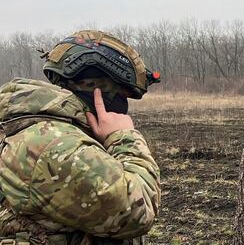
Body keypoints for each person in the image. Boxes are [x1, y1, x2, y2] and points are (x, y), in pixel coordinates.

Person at [0, 30, 161, 245]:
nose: (123, 107)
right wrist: (124, 138)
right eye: (122, 96)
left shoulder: (39, 128)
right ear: (96, 89)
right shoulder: (55, 143)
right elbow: (136, 212)